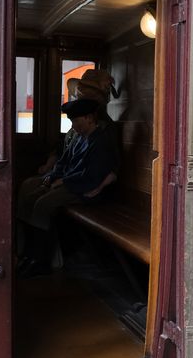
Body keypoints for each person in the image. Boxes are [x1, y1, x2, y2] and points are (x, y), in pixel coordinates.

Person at [17, 97, 118, 277]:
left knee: (43, 204)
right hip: (71, 182)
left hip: (86, 189)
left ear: (89, 118)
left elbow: (92, 176)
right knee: (29, 196)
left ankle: (42, 260)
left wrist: (63, 182)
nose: (74, 125)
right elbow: (63, 162)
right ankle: (27, 252)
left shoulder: (100, 142)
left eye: (77, 121)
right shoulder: (78, 138)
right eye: (72, 121)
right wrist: (51, 177)